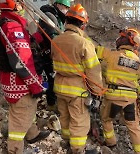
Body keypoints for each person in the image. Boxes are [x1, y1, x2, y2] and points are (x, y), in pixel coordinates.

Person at [0, 1, 50, 153]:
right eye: (20, 3)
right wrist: (35, 85)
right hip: (20, 84)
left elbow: (23, 45)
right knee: (21, 115)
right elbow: (21, 60)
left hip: (10, 81)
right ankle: (14, 148)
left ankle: (32, 134)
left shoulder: (6, 22)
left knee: (26, 110)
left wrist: (37, 38)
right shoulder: (13, 26)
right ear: (13, 4)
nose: (22, 6)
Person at [51, 3, 103, 154]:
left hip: (60, 87)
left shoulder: (56, 40)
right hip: (77, 90)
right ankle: (78, 150)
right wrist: (97, 92)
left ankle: (67, 143)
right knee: (79, 122)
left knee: (65, 117)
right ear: (83, 24)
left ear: (67, 21)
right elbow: (93, 71)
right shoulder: (84, 44)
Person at [97, 28, 140, 154]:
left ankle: (111, 143)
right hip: (130, 99)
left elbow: (93, 49)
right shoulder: (138, 62)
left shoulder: (110, 54)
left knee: (106, 120)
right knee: (134, 126)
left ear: (124, 39)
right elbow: (139, 77)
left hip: (113, 96)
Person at [39, 0, 71, 111]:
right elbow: (52, 38)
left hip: (53, 53)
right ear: (58, 5)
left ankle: (53, 101)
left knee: (53, 79)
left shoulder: (58, 18)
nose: (66, 10)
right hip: (48, 54)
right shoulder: (50, 16)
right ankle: (51, 105)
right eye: (65, 7)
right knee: (52, 79)